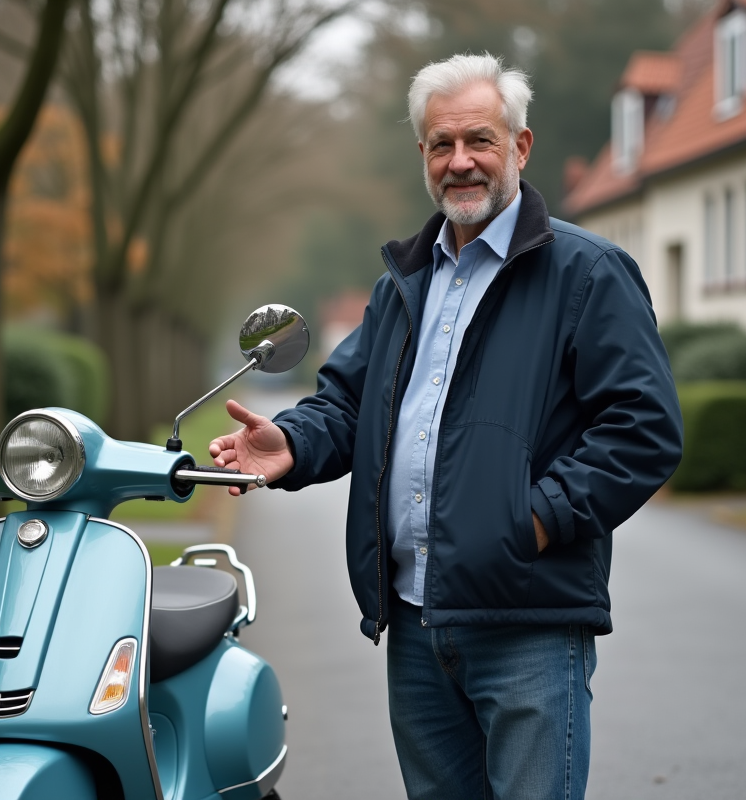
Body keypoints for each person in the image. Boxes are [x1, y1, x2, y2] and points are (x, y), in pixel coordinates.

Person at [208, 53, 683, 800]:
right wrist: (293, 443)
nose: (460, 161)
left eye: (480, 141)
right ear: (423, 156)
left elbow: (643, 429)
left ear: (520, 148)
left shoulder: (588, 273)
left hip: (528, 620)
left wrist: (532, 521)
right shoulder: (405, 284)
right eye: (441, 144)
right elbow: (346, 405)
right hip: (416, 626)